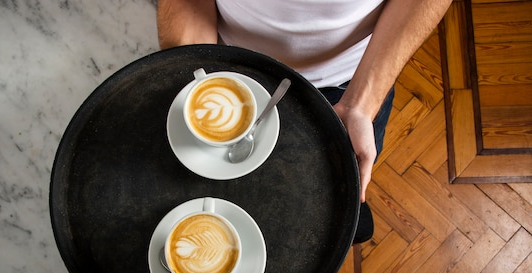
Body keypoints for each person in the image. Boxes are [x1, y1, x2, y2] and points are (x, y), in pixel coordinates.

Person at [156, 0, 452, 243]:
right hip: (227, 74)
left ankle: (341, 207)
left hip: (351, 83)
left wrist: (361, 104)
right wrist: (197, 73)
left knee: (337, 194)